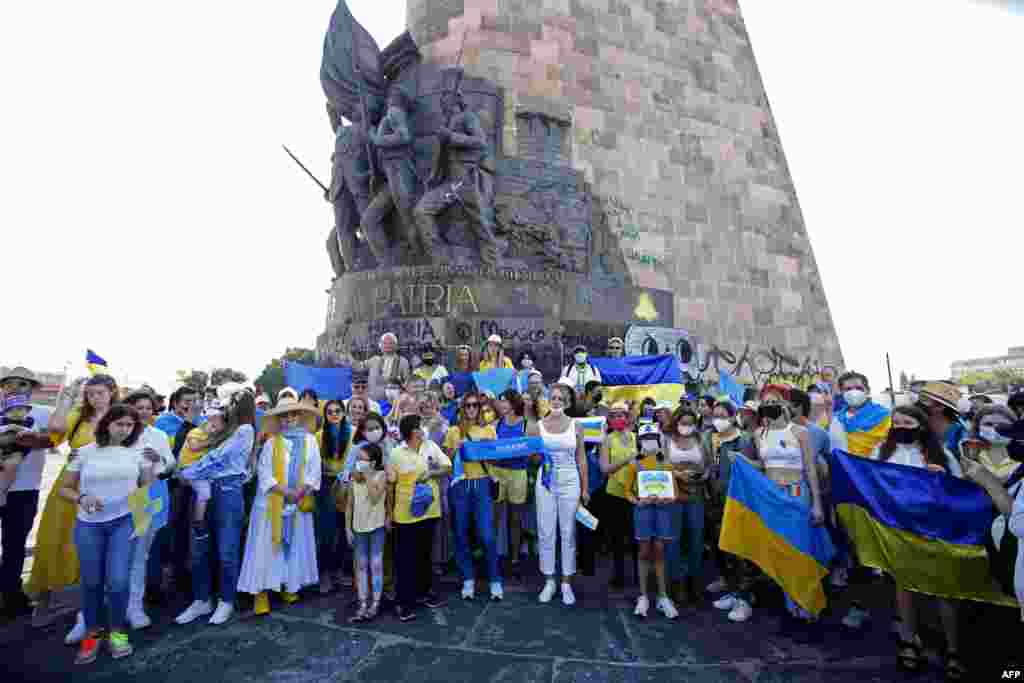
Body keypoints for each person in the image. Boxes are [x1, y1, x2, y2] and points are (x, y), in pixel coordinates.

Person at [57, 404, 161, 665]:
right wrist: (82, 497)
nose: (125, 430)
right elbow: (64, 489)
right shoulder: (84, 453)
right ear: (107, 424)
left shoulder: (139, 453)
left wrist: (152, 464)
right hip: (89, 524)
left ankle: (117, 632)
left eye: (130, 425)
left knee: (118, 581)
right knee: (91, 582)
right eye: (120, 424)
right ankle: (92, 635)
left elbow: (146, 487)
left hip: (124, 522)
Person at [868, 405, 965, 678]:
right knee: (905, 587)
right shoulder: (881, 453)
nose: (900, 426)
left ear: (921, 426)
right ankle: (910, 640)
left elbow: (958, 492)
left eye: (907, 422)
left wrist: (941, 480)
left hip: (934, 531)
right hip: (898, 531)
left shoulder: (942, 455)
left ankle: (953, 648)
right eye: (896, 422)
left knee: (944, 591)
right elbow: (871, 486)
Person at [30, 374, 116, 629]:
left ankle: (87, 609)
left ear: (112, 392)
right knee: (53, 539)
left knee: (93, 548)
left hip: (104, 489)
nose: (94, 398)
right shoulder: (79, 416)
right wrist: (67, 397)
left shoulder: (122, 418)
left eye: (100, 393)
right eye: (90, 393)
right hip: (69, 487)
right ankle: (43, 603)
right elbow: (56, 430)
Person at [174, 392, 256, 626]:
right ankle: (201, 600)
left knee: (226, 550)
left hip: (227, 492)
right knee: (199, 549)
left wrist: (186, 473)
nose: (224, 407)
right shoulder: (222, 429)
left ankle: (226, 600)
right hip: (204, 491)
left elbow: (219, 460)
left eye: (230, 403)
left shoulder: (245, 430)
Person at [237, 397, 321, 615]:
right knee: (266, 548)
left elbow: (314, 470)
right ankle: (261, 593)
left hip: (298, 502)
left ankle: (288, 585)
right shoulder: (272, 442)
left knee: (293, 547)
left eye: (293, 415)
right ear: (279, 419)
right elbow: (265, 474)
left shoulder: (311, 440)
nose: (290, 419)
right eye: (285, 416)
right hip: (271, 506)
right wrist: (286, 492)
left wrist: (300, 491)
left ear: (299, 417)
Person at [754, 385, 825, 628]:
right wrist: (745, 463)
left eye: (774, 400)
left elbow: (810, 470)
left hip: (797, 493)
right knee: (781, 549)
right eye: (766, 401)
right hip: (773, 497)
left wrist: (817, 504)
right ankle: (789, 603)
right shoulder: (759, 434)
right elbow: (763, 467)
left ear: (785, 403)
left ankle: (808, 602)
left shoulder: (801, 432)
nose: (770, 404)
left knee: (801, 548)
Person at [0, 369, 55, 618]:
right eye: (9, 384)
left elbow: (52, 440)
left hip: (24, 491)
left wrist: (31, 438)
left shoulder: (41, 413)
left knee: (14, 546)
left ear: (31, 388)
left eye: (21, 383)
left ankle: (10, 595)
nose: (15, 387)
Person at [388, 415, 452, 621]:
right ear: (411, 432)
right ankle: (403, 602)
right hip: (404, 514)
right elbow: (390, 486)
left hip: (430, 511)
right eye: (418, 427)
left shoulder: (431, 446)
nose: (422, 429)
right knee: (405, 559)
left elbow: (447, 466)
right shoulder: (396, 453)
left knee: (425, 555)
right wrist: (389, 514)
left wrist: (431, 473)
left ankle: (424, 593)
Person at [530, 382, 588, 606]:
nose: (555, 401)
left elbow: (581, 458)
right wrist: (536, 455)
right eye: (552, 397)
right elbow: (532, 458)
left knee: (568, 531)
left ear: (567, 403)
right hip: (545, 482)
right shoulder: (537, 426)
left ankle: (566, 582)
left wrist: (584, 488)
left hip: (570, 480)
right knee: (545, 531)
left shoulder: (576, 426)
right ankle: (549, 580)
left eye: (559, 398)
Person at [122, 390, 175, 631]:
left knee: (140, 555)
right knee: (114, 556)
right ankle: (96, 612)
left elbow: (171, 465)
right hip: (119, 500)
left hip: (148, 499)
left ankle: (134, 607)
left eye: (147, 408)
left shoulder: (159, 435)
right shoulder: (119, 431)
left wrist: (159, 459)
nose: (143, 412)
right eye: (138, 407)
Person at [443, 390, 502, 601]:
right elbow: (447, 461)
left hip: (482, 484)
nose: (471, 409)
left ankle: (495, 579)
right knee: (460, 532)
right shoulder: (453, 431)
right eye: (467, 405)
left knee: (487, 535)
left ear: (479, 408)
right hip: (460, 485)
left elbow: (495, 459)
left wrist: (484, 451)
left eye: (475, 405)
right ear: (461, 408)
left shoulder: (489, 431)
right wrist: (456, 450)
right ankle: (468, 578)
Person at [705, 400, 761, 619]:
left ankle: (745, 598)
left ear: (732, 416)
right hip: (718, 500)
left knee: (742, 551)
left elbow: (753, 468)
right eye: (714, 415)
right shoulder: (715, 440)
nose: (718, 419)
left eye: (722, 415)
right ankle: (735, 590)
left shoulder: (745, 440)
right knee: (725, 547)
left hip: (739, 501)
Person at [625, 423, 676, 619]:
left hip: (663, 510)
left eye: (653, 438)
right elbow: (627, 491)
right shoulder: (634, 465)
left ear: (659, 440)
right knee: (644, 550)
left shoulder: (667, 465)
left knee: (660, 550)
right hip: (643, 511)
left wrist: (669, 498)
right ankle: (643, 595)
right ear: (639, 442)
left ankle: (663, 596)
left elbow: (675, 492)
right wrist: (637, 501)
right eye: (645, 439)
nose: (649, 442)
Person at [663, 408, 711, 607]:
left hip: (696, 493)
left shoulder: (701, 440)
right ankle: (676, 583)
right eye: (683, 421)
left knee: (696, 538)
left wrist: (703, 475)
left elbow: (709, 466)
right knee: (673, 540)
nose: (687, 426)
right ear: (676, 422)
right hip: (674, 494)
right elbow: (662, 464)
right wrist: (677, 474)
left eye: (690, 422)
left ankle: (695, 582)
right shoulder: (666, 440)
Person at [346, 443, 389, 622]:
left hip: (377, 526)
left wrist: (369, 475)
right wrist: (347, 528)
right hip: (358, 527)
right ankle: (362, 602)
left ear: (373, 462)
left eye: (363, 460)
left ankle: (376, 602)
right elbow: (349, 506)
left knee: (376, 563)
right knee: (361, 564)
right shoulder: (352, 480)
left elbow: (374, 497)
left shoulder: (381, 476)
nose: (359, 463)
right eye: (358, 460)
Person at [600, 402, 639, 590]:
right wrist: (626, 459)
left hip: (635, 494)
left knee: (636, 538)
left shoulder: (636, 438)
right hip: (614, 494)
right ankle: (619, 575)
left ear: (628, 417)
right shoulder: (607, 440)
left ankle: (640, 576)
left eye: (621, 415)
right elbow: (604, 469)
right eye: (614, 416)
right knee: (617, 537)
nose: (618, 419)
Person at [491, 390, 529, 580]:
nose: (502, 405)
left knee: (516, 519)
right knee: (496, 518)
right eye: (500, 402)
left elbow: (533, 449)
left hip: (518, 474)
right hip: (498, 473)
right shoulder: (496, 424)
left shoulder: (527, 423)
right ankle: (495, 559)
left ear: (514, 403)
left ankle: (514, 560)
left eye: (505, 402)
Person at [316, 399, 351, 594]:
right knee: (328, 533)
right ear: (325, 415)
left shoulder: (353, 433)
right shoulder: (318, 436)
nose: (334, 414)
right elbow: (314, 463)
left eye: (338, 411)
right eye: (330, 412)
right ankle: (325, 574)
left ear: (343, 413)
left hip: (347, 485)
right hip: (326, 485)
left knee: (344, 531)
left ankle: (338, 571)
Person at [917, 381, 969, 457]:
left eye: (925, 401)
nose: (918, 405)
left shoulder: (960, 433)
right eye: (921, 399)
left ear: (940, 407)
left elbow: (967, 462)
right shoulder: (917, 427)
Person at [366, 333, 411, 402]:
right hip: (374, 401)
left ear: (396, 346)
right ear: (380, 346)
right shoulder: (374, 360)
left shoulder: (403, 361)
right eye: (385, 343)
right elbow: (359, 367)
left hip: (393, 402)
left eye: (391, 343)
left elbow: (407, 382)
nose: (388, 345)